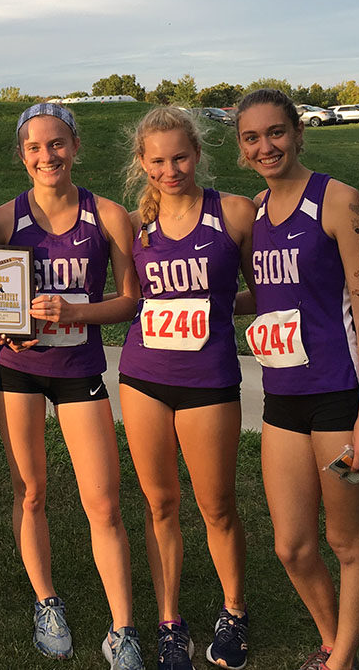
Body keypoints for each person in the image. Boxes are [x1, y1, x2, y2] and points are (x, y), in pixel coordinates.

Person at [0, 103, 144, 669]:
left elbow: (129, 301)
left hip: (79, 372)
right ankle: (46, 600)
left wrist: (73, 310)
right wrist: (5, 325)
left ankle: (123, 627)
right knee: (30, 492)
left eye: (57, 144)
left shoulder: (108, 215)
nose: (47, 156)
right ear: (21, 155)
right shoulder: (3, 221)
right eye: (34, 147)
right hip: (19, 373)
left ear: (75, 147)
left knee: (103, 502)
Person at [235, 89, 359, 670]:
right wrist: (210, 297)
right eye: (252, 137)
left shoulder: (337, 200)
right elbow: (273, 293)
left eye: (275, 132)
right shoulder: (255, 212)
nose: (265, 146)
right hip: (283, 400)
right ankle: (333, 640)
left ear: (299, 133)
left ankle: (340, 660)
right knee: (292, 546)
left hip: (341, 400)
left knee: (348, 543)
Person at [118, 107, 255, 670]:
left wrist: (219, 310)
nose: (169, 169)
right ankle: (170, 621)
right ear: (141, 164)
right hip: (144, 377)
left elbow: (262, 288)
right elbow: (129, 299)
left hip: (210, 378)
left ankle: (234, 610)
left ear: (197, 154)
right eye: (157, 160)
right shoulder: (133, 226)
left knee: (216, 505)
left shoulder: (235, 213)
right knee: (161, 505)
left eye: (179, 157)